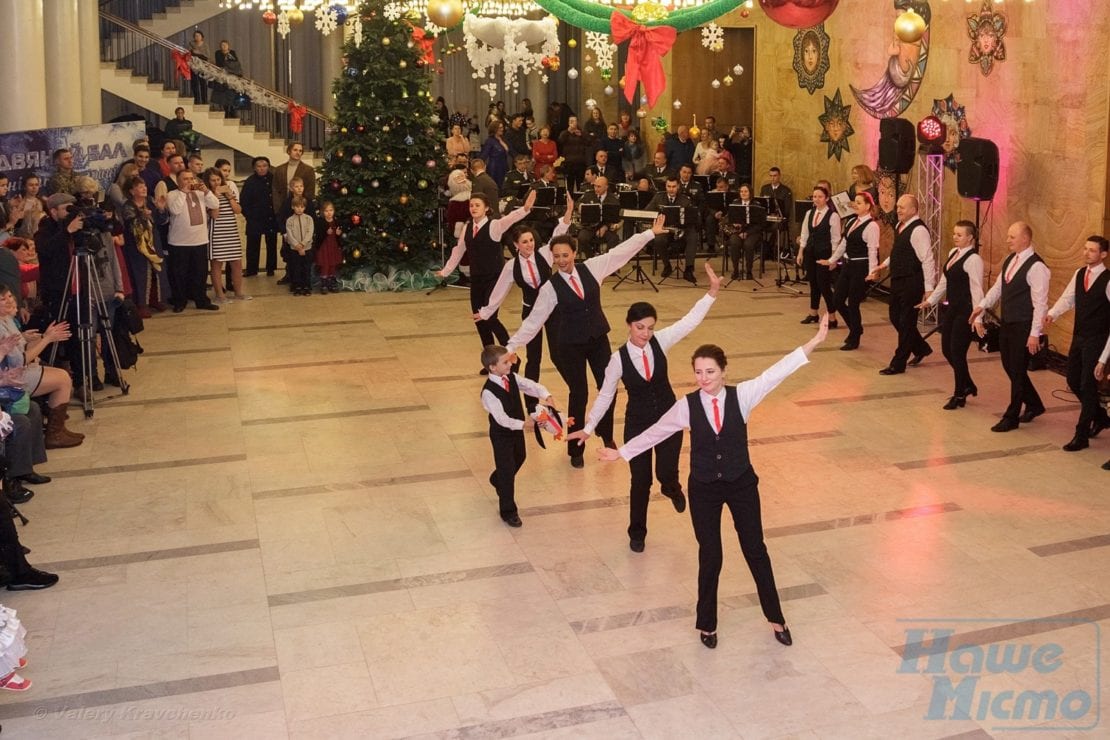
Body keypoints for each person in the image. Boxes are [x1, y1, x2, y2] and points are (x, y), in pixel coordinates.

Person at [599, 315, 829, 649]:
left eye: (710, 372)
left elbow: (776, 372)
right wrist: (622, 453)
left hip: (741, 484)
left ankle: (776, 617)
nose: (703, 378)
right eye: (698, 372)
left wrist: (814, 342)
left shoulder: (744, 395)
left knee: (755, 550)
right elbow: (656, 431)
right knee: (711, 555)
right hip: (704, 487)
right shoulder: (687, 406)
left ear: (724, 370)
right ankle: (707, 624)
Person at [570, 264, 720, 552]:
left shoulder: (661, 341)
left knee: (665, 474)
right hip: (637, 423)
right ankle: (637, 533)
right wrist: (588, 429)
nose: (646, 333)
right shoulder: (617, 360)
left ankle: (671, 488)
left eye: (650, 328)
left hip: (668, 420)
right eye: (641, 327)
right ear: (629, 325)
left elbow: (689, 322)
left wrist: (711, 292)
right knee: (640, 481)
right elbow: (604, 396)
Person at [505, 213, 668, 468]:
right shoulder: (550, 288)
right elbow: (533, 322)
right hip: (570, 344)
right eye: (556, 256)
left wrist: (648, 234)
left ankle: (605, 432)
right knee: (578, 393)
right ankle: (575, 447)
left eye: (565, 255)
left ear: (574, 252)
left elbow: (621, 252)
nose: (561, 261)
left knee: (608, 387)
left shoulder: (592, 267)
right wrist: (510, 346)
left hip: (597, 338)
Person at [476, 199, 573, 409]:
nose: (529, 245)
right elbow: (500, 290)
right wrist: (486, 312)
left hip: (553, 311)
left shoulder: (546, 254)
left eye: (531, 240)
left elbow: (559, 233)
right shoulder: (512, 266)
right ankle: (531, 404)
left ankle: (575, 386)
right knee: (533, 358)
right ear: (516, 245)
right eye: (525, 242)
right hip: (530, 312)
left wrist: (569, 212)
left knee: (558, 353)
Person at [436, 190, 537, 366]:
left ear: (486, 208)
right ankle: (492, 362)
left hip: (494, 279)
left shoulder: (494, 225)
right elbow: (459, 250)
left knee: (490, 318)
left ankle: (511, 356)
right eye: (471, 205)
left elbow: (510, 219)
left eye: (477, 205)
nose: (473, 208)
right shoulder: (467, 227)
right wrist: (446, 271)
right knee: (479, 320)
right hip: (477, 279)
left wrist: (525, 209)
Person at [971, 222, 1050, 432]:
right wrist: (982, 306)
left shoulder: (1037, 267)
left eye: (1012, 237)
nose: (1007, 241)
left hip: (1024, 325)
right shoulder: (1010, 260)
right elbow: (998, 288)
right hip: (1008, 322)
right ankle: (1034, 403)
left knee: (1016, 370)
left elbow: (1040, 304)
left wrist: (1035, 334)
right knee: (1009, 366)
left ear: (1025, 239)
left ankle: (1012, 416)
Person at [1043, 235, 1110, 450]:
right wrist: (1052, 313)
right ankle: (1099, 416)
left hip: (1098, 339)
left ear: (1103, 255)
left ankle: (1081, 436)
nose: (1086, 253)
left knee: (1087, 385)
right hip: (1079, 336)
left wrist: (1103, 358)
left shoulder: (1108, 280)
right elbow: (1068, 297)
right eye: (1085, 249)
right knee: (1072, 379)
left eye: (1092, 250)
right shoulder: (1080, 273)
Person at [480, 345, 556, 528]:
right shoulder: (489, 392)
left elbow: (530, 385)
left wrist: (546, 395)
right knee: (507, 471)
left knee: (520, 457)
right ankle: (508, 511)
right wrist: (524, 424)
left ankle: (497, 479)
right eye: (505, 362)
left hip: (516, 431)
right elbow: (501, 419)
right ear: (492, 367)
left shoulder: (511, 378)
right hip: (502, 434)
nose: (510, 364)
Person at [0, 286, 83, 448]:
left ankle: (58, 429)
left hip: (20, 370)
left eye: (10, 296)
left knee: (63, 375)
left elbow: (22, 349)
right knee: (63, 380)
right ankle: (55, 434)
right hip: (11, 378)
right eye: (3, 299)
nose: (9, 301)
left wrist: (42, 337)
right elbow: (19, 361)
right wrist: (47, 339)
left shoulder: (7, 319)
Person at [916, 220, 984, 406]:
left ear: (970, 238)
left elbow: (978, 290)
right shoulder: (953, 253)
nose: (955, 237)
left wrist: (978, 318)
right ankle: (968, 384)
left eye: (959, 235)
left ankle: (959, 395)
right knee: (947, 350)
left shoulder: (974, 260)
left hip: (966, 312)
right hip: (953, 309)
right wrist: (930, 301)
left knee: (957, 352)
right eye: (954, 233)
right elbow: (944, 282)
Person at [868, 194, 936, 375]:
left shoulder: (919, 230)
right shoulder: (900, 225)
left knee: (906, 321)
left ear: (913, 210)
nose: (898, 210)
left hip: (912, 281)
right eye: (898, 206)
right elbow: (899, 251)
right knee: (895, 316)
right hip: (898, 279)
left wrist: (929, 288)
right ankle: (921, 348)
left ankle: (898, 363)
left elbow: (927, 260)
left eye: (902, 207)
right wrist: (883, 265)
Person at [163, 169, 219, 313]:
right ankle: (180, 301)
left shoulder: (200, 193)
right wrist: (183, 192)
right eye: (185, 179)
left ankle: (201, 300)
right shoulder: (172, 195)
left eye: (191, 178)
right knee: (179, 274)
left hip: (200, 240)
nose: (189, 181)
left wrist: (206, 191)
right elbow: (175, 210)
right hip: (179, 242)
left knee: (200, 273)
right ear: (178, 181)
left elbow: (215, 204)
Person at [830, 192, 881, 351]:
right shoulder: (852, 221)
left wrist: (872, 271)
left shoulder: (872, 226)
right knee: (837, 300)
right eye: (855, 202)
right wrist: (832, 260)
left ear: (867, 206)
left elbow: (873, 250)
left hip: (861, 267)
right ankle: (856, 328)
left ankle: (854, 336)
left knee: (853, 304)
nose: (855, 205)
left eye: (859, 203)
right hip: (847, 266)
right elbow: (844, 244)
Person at [119, 176, 167, 318]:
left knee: (156, 270)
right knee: (140, 273)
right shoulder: (128, 205)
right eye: (140, 187)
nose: (144, 188)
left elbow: (161, 221)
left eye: (144, 185)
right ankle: (141, 304)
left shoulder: (150, 201)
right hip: (137, 245)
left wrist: (161, 210)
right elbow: (131, 224)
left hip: (153, 241)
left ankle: (155, 299)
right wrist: (142, 216)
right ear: (132, 191)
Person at [796, 186, 841, 327]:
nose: (816, 199)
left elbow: (835, 239)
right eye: (814, 196)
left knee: (824, 286)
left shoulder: (833, 216)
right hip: (810, 252)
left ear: (827, 198)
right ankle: (813, 313)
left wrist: (832, 259)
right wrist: (801, 252)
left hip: (824, 254)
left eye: (820, 196)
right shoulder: (809, 213)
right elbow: (804, 234)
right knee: (813, 284)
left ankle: (832, 317)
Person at [272, 143, 316, 285]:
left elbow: (309, 190)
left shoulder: (308, 170)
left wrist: (301, 204)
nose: (298, 152)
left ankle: (302, 277)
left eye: (301, 151)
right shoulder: (279, 170)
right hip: (286, 209)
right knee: (287, 245)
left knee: (302, 244)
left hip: (302, 208)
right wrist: (279, 209)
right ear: (289, 151)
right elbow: (276, 190)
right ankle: (289, 273)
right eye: (295, 150)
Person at [204, 168, 246, 304]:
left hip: (231, 231)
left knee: (237, 263)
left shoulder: (229, 190)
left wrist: (230, 197)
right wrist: (215, 196)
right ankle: (220, 295)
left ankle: (239, 292)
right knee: (217, 264)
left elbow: (238, 210)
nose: (216, 182)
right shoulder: (207, 195)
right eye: (213, 180)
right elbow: (214, 215)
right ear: (208, 182)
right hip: (216, 233)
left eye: (218, 179)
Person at [647, 177, 699, 284]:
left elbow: (694, 218)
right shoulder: (658, 197)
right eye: (669, 186)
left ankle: (689, 269)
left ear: (678, 187)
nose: (671, 189)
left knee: (693, 236)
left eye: (674, 186)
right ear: (665, 186)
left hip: (682, 229)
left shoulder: (686, 199)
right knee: (659, 240)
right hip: (664, 229)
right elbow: (647, 212)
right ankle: (667, 266)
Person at [240, 156, 279, 277]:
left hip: (270, 217)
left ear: (268, 166)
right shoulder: (250, 181)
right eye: (259, 166)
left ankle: (271, 268)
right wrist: (249, 215)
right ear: (254, 168)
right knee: (252, 245)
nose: (262, 168)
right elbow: (244, 201)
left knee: (271, 244)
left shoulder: (274, 179)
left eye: (264, 166)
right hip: (254, 218)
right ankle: (252, 269)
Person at [725, 184, 765, 281]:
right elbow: (728, 219)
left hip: (752, 232)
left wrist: (747, 233)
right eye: (741, 191)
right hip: (737, 231)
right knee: (734, 243)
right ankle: (735, 270)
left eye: (746, 191)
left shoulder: (756, 204)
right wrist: (734, 224)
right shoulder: (735, 203)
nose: (743, 193)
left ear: (750, 193)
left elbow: (760, 224)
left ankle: (748, 271)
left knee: (748, 245)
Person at [576, 176, 621, 257]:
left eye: (599, 186)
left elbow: (614, 217)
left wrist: (605, 227)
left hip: (606, 228)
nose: (596, 188)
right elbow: (578, 204)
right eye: (595, 186)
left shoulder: (613, 199)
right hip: (589, 227)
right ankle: (591, 258)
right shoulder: (588, 194)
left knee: (614, 239)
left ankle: (606, 259)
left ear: (606, 187)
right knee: (582, 238)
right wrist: (580, 206)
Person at [283, 197, 314, 296]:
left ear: (305, 207)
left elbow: (310, 232)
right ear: (293, 207)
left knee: (306, 268)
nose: (299, 209)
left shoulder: (309, 219)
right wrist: (297, 245)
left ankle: (306, 286)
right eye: (297, 207)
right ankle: (297, 286)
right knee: (296, 268)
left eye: (302, 207)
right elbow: (290, 234)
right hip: (294, 249)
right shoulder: (290, 220)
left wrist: (303, 244)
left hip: (307, 248)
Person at [558, 116, 594, 193]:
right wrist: (568, 132)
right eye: (571, 121)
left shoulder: (582, 132)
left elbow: (589, 142)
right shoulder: (564, 133)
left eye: (574, 121)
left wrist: (581, 135)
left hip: (580, 163)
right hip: (568, 163)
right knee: (569, 186)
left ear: (577, 122)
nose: (573, 123)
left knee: (580, 185)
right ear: (568, 123)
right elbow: (560, 141)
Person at [314, 201, 343, 293]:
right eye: (326, 211)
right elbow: (318, 236)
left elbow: (338, 236)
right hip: (324, 247)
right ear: (322, 212)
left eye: (331, 210)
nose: (329, 213)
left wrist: (338, 234)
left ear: (334, 211)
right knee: (325, 264)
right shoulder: (320, 222)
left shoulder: (336, 221)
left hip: (333, 246)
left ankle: (332, 282)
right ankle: (324, 283)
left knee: (332, 264)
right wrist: (325, 233)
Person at [214, 40, 243, 118]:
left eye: (225, 45)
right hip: (223, 77)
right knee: (224, 96)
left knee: (232, 95)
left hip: (232, 77)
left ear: (228, 46)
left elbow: (235, 63)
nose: (224, 46)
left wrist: (228, 63)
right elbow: (219, 63)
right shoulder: (218, 53)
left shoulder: (232, 52)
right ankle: (226, 111)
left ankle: (233, 111)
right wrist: (226, 62)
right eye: (222, 45)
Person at [479, 121, 511, 188]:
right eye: (499, 128)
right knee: (497, 186)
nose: (502, 129)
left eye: (502, 127)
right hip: (495, 168)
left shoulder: (503, 139)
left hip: (504, 165)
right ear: (494, 129)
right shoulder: (490, 141)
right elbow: (483, 156)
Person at [188, 30, 211, 105]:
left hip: (202, 66)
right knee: (194, 83)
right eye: (195, 36)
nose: (197, 37)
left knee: (203, 83)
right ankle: (196, 100)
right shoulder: (191, 44)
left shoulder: (205, 45)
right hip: (194, 66)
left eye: (198, 36)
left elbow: (207, 56)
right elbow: (188, 54)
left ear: (202, 37)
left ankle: (204, 100)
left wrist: (198, 53)